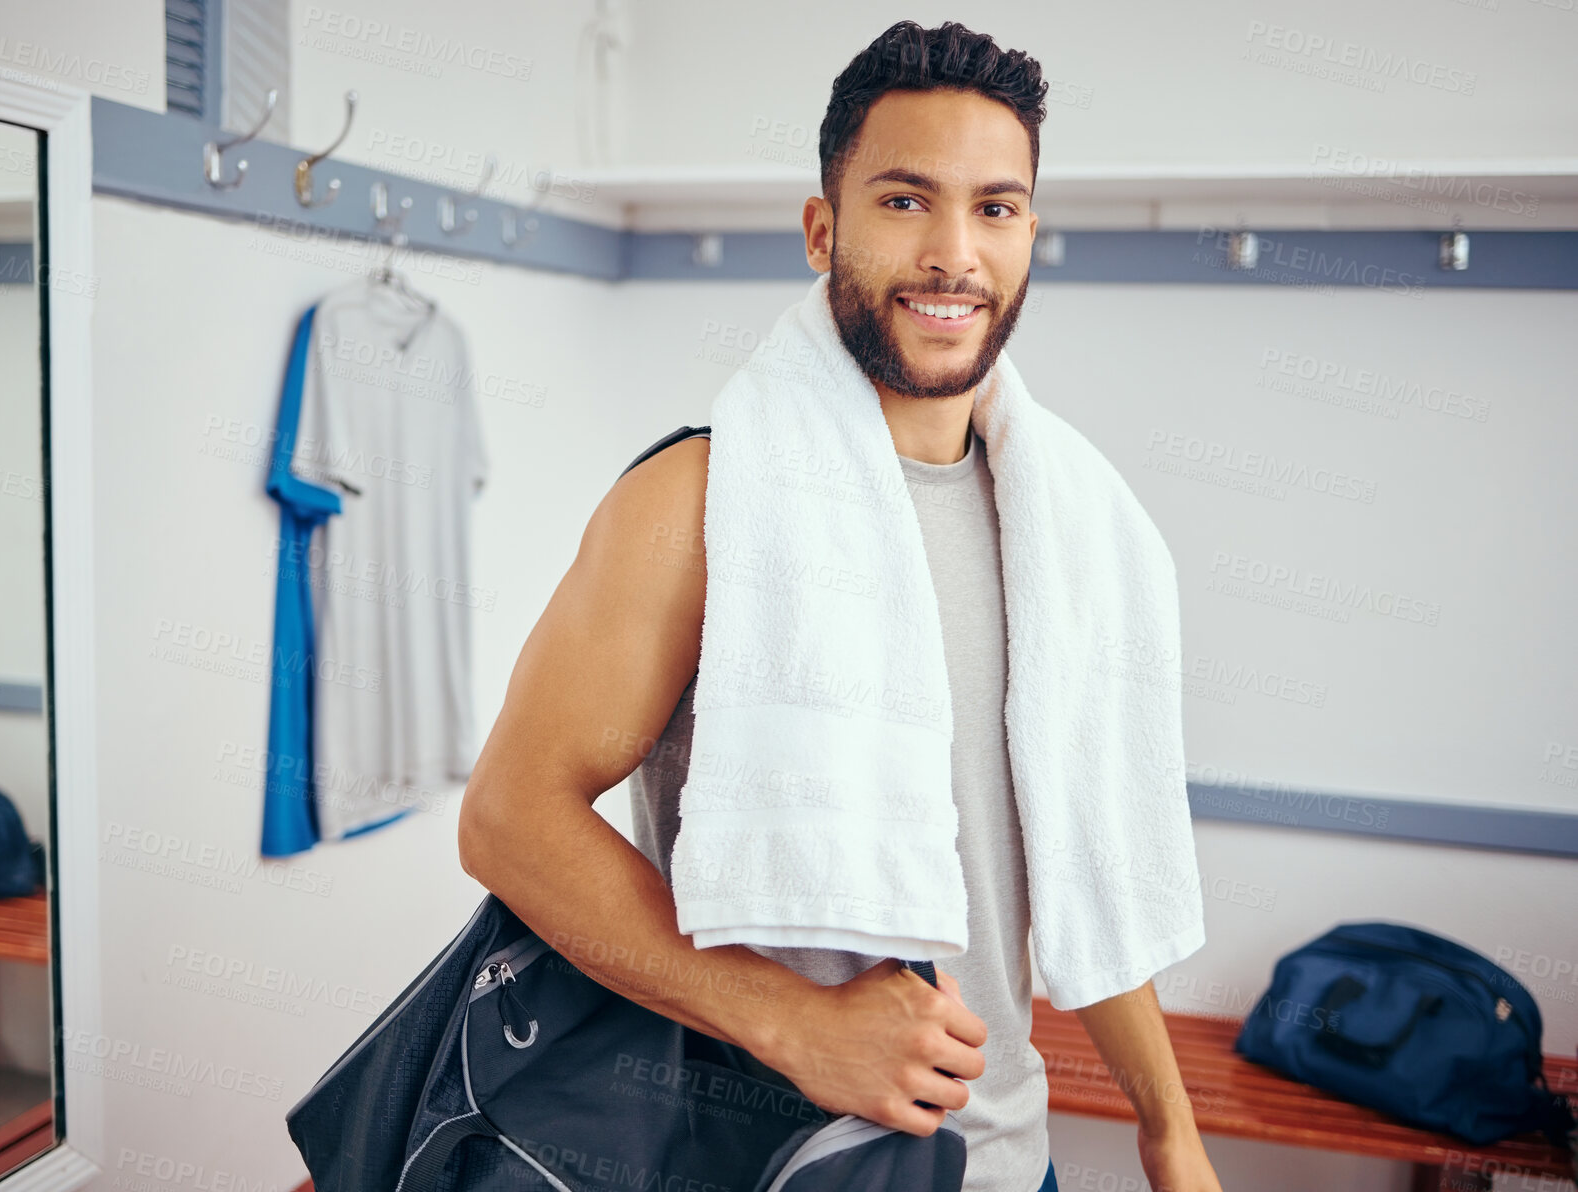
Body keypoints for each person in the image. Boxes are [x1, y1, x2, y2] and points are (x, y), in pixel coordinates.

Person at [460, 19, 1222, 1192]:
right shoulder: (700, 501)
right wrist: (789, 1018)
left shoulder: (1076, 527)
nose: (954, 254)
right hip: (765, 1159)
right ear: (826, 228)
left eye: (997, 208)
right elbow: (509, 817)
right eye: (907, 201)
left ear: (1030, 235)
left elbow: (1082, 861)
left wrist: (1168, 1129)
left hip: (1012, 1164)